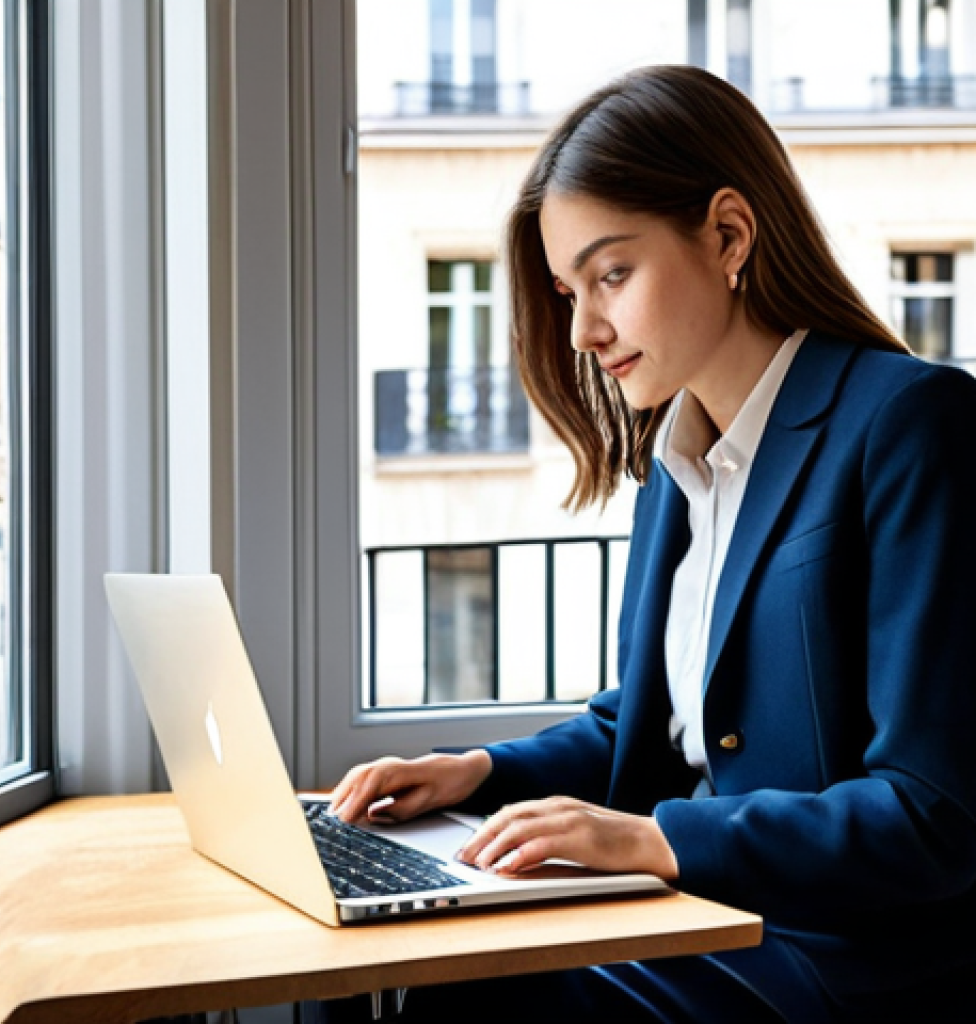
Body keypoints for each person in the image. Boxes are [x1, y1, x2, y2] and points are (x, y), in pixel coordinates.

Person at [323, 65, 976, 1022]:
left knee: (474, 998)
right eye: (566, 290)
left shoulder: (911, 422)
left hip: (835, 954)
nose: (585, 328)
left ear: (727, 235)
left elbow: (933, 816)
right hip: (698, 920)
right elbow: (655, 728)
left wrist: (650, 840)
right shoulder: (675, 464)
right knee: (385, 963)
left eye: (611, 274)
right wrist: (481, 773)